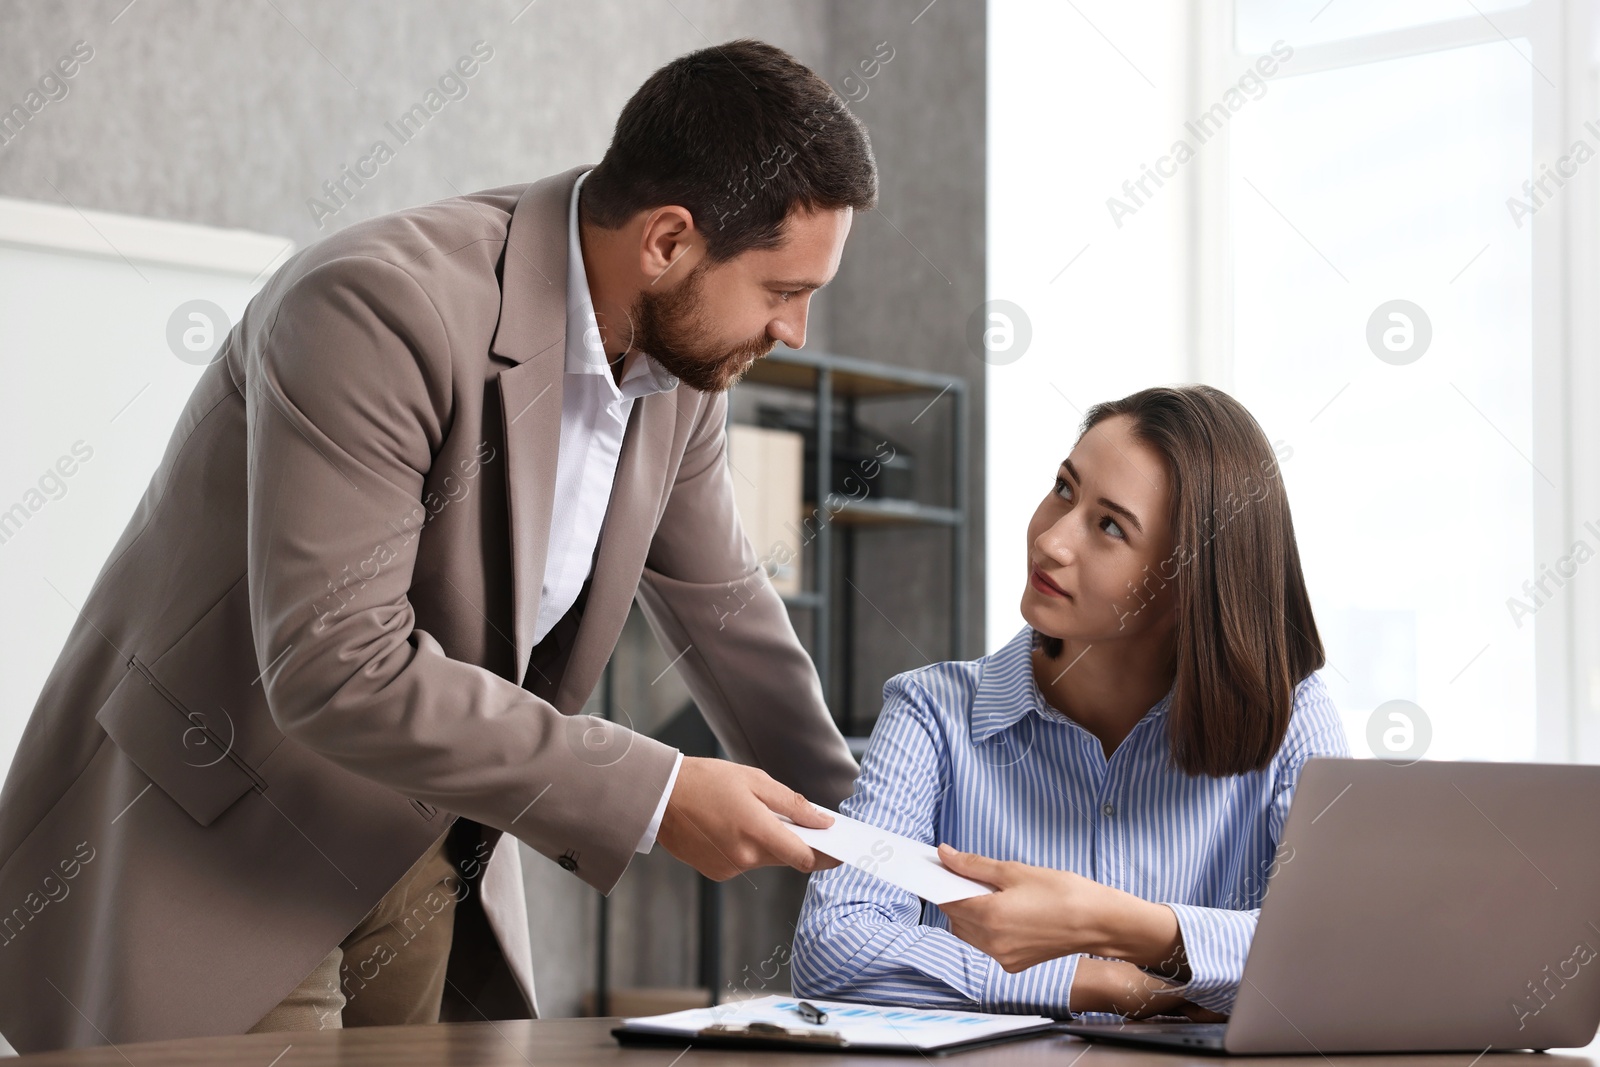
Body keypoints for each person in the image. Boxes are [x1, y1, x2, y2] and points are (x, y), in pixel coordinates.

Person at [0, 39, 876, 1053]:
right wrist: (660, 791)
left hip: (424, 842)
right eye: (781, 289)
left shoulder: (680, 374)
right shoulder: (372, 305)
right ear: (668, 241)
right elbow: (339, 665)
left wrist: (884, 842)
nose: (797, 329)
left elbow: (730, 616)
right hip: (230, 824)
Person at [791, 384, 1348, 1020]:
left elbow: (1340, 951)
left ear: (1190, 583)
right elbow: (833, 947)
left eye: (1110, 526)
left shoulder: (1292, 715)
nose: (1052, 540)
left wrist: (1114, 922)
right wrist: (1117, 986)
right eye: (1064, 489)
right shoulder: (932, 711)